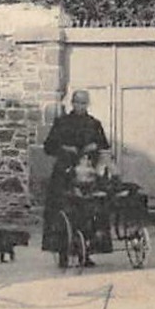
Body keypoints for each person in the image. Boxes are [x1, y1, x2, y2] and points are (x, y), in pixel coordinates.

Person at [41, 89, 110, 257]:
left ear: (88, 104)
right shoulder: (62, 122)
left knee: (96, 204)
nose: (80, 106)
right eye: (78, 103)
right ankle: (62, 249)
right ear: (72, 103)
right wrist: (65, 148)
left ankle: (89, 248)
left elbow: (104, 147)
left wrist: (94, 147)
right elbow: (48, 147)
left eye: (84, 103)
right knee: (61, 206)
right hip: (65, 171)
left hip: (88, 171)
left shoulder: (94, 124)